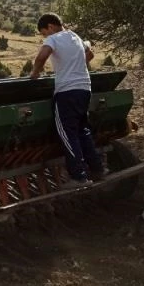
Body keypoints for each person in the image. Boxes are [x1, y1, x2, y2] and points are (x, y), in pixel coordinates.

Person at [30, 13, 105, 188]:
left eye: (44, 33)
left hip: (66, 92)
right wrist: (75, 65)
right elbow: (90, 55)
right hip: (84, 88)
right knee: (82, 130)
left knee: (67, 134)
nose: (45, 37)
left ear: (49, 26)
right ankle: (98, 169)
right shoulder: (75, 36)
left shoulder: (54, 39)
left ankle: (78, 177)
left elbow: (42, 56)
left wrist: (35, 73)